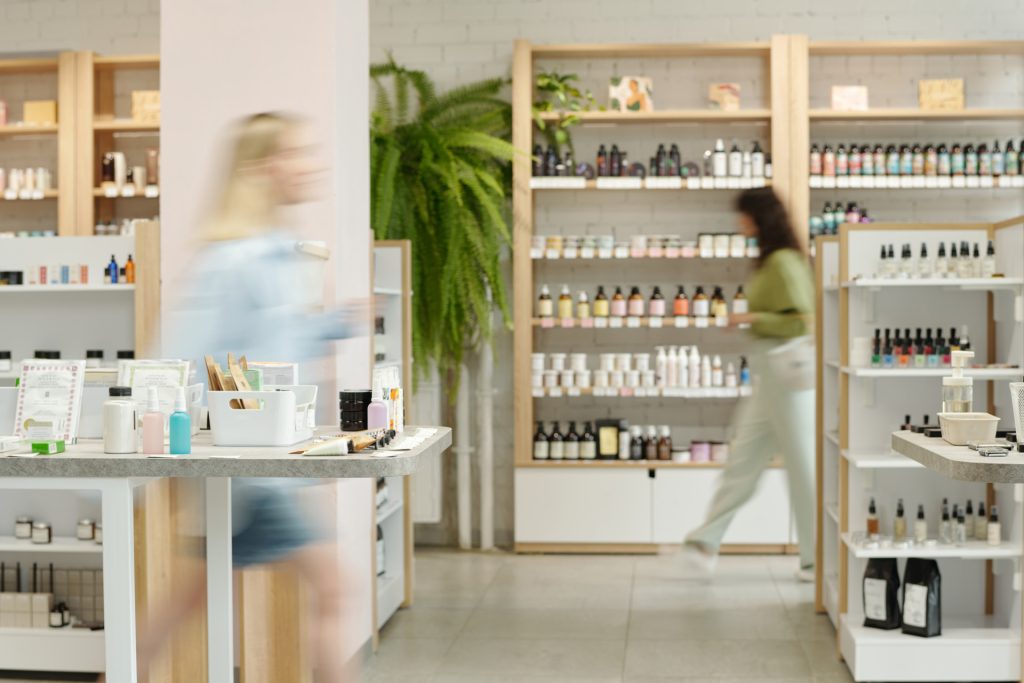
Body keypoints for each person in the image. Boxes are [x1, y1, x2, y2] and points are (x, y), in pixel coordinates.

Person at [141, 112, 366, 682]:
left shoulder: (280, 253)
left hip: (267, 463)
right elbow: (183, 352)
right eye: (298, 153)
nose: (311, 165)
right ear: (264, 167)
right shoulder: (233, 259)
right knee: (334, 589)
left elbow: (279, 345)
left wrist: (338, 324)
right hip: (249, 471)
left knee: (190, 597)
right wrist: (159, 449)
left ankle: (122, 671)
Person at [683, 187, 816, 581]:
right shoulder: (771, 259)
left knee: (803, 469)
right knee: (742, 460)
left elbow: (804, 320)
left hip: (787, 377)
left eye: (743, 215)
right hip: (769, 376)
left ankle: (816, 559)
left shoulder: (783, 261)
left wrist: (750, 319)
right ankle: (705, 541)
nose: (739, 223)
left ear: (759, 217)